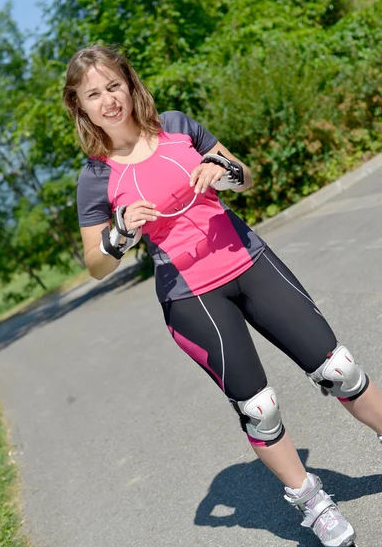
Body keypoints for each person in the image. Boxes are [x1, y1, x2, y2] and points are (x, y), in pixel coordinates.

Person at [63, 44, 382, 547]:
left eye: (114, 86)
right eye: (94, 94)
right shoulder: (96, 176)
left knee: (338, 368)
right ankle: (313, 503)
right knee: (260, 408)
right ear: (80, 106)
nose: (108, 100)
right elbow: (96, 265)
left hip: (248, 259)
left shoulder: (177, 127)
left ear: (129, 83)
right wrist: (119, 232)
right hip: (189, 295)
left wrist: (226, 172)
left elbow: (245, 176)